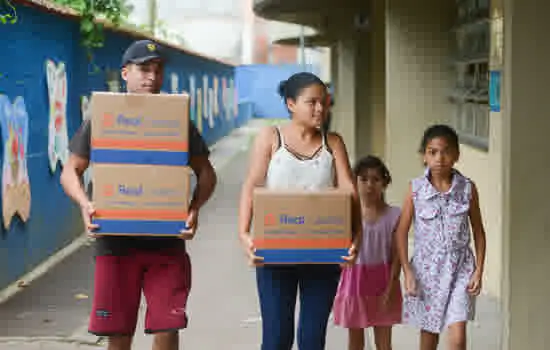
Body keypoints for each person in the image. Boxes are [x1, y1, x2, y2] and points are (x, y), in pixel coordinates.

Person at [60, 39, 217, 350]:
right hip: (116, 242)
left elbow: (207, 173)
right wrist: (85, 204)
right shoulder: (102, 118)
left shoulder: (178, 122)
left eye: (158, 70)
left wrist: (194, 208)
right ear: (125, 73)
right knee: (118, 333)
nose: (152, 77)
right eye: (144, 69)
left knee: (168, 327)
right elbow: (70, 171)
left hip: (166, 242)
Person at [237, 72, 361, 350]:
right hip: (275, 253)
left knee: (312, 340)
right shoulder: (271, 138)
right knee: (276, 338)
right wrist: (244, 233)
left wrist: (356, 238)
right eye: (312, 102)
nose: (320, 109)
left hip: (323, 254)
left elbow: (350, 193)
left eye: (324, 102)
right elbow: (252, 185)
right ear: (291, 103)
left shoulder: (334, 143)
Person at [394, 124, 487, 350]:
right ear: (424, 156)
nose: (439, 158)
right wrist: (407, 271)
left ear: (456, 155)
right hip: (428, 273)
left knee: (457, 339)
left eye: (445, 151)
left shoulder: (467, 189)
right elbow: (401, 232)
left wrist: (478, 270)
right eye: (432, 152)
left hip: (460, 270)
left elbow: (479, 232)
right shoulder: (415, 190)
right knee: (429, 338)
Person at [332, 155, 403, 350]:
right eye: (363, 179)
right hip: (355, 281)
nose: (369, 185)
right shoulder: (347, 214)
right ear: (355, 182)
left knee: (384, 344)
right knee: (355, 343)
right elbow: (338, 249)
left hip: (384, 282)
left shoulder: (395, 216)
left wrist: (391, 286)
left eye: (375, 179)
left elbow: (397, 257)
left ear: (385, 183)